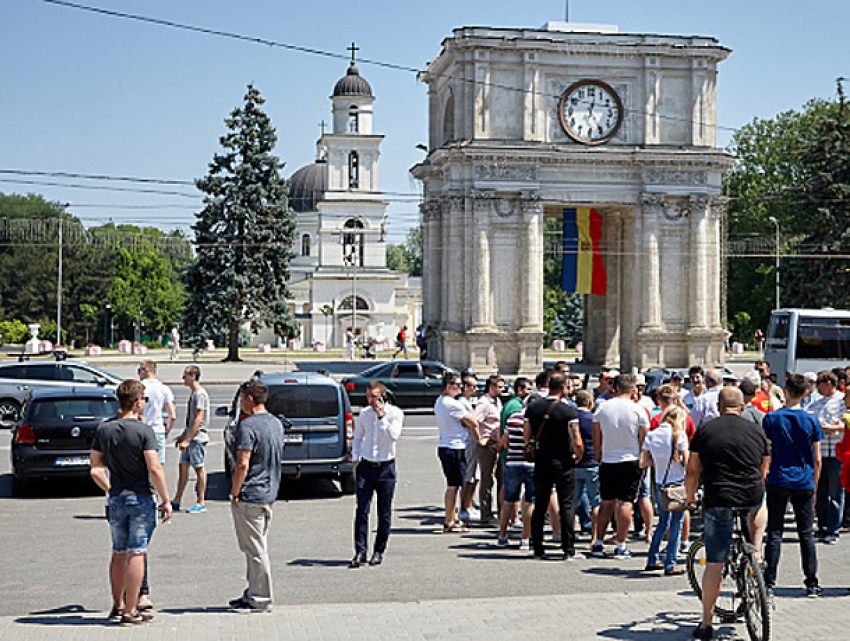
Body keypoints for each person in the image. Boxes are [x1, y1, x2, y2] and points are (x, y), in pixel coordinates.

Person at [685, 386, 770, 640]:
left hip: (718, 498)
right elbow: (763, 469)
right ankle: (755, 552)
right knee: (760, 502)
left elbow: (692, 470)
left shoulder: (705, 431)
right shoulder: (756, 430)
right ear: (742, 407)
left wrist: (690, 497)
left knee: (714, 563)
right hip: (750, 494)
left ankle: (707, 623)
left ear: (718, 408)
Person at [89, 380, 172, 625]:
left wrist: (110, 488)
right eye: (144, 399)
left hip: (116, 498)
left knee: (118, 552)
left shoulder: (104, 429)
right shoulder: (144, 432)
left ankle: (117, 605)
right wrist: (166, 499)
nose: (145, 403)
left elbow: (95, 469)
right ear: (137, 402)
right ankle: (131, 610)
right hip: (140, 497)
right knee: (137, 552)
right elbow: (154, 468)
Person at [762, 373, 823, 598]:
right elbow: (817, 458)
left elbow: (766, 452)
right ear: (806, 392)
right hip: (803, 479)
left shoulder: (771, 419)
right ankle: (811, 583)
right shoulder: (812, 420)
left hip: (778, 477)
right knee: (806, 534)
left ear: (785, 390)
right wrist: (815, 486)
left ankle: (769, 582)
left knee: (774, 532)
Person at [228, 379, 285, 613]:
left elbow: (242, 462)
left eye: (242, 398)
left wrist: (234, 491)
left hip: (251, 493)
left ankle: (260, 598)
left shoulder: (248, 425)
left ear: (250, 398)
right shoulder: (276, 423)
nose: (240, 403)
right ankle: (252, 591)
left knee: (255, 549)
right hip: (269, 491)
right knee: (254, 546)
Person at [524, 373, 584, 559]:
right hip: (563, 460)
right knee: (565, 504)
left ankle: (538, 547)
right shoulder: (568, 411)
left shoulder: (533, 407)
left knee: (540, 503)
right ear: (564, 387)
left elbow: (527, 435)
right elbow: (576, 440)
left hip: (542, 459)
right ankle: (568, 548)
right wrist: (578, 454)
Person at [591, 374, 649, 559]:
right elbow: (644, 439)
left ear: (615, 388)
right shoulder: (638, 410)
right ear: (633, 390)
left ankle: (598, 542)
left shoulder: (602, 408)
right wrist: (643, 458)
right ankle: (621, 544)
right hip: (630, 459)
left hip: (608, 459)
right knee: (626, 502)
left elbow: (596, 438)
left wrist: (600, 457)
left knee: (606, 502)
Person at [349, 380, 404, 568]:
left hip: (385, 468)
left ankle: (379, 550)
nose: (371, 401)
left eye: (374, 397)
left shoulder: (395, 413)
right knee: (362, 510)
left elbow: (394, 436)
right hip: (366, 466)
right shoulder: (364, 414)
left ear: (383, 396)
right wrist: (356, 457)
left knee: (384, 513)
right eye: (368, 397)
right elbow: (358, 437)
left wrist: (382, 417)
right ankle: (360, 551)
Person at [641, 406, 689, 575]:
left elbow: (642, 463)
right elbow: (687, 463)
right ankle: (671, 563)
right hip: (677, 483)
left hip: (660, 482)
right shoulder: (679, 435)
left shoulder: (651, 435)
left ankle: (652, 558)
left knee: (662, 522)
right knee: (677, 523)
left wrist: (657, 462)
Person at [435, 372, 479, 532]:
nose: (460, 388)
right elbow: (473, 421)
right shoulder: (452, 403)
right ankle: (449, 521)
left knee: (456, 484)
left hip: (448, 446)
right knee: (453, 486)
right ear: (449, 387)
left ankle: (453, 517)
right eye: (458, 386)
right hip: (454, 447)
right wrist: (478, 437)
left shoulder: (441, 401)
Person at [808, 370, 846, 543]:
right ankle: (822, 526)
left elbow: (846, 423)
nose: (817, 387)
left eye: (819, 383)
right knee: (821, 492)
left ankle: (834, 528)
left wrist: (834, 428)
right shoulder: (817, 402)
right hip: (820, 452)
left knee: (835, 493)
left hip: (837, 452)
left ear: (829, 383)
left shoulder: (842, 401)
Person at [172, 365, 210, 513]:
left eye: (185, 375)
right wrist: (183, 435)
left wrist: (188, 439)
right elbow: (191, 419)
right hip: (190, 437)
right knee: (183, 468)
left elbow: (199, 418)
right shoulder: (194, 393)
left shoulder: (200, 394)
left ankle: (200, 501)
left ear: (193, 376)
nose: (183, 378)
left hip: (197, 438)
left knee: (199, 468)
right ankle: (177, 500)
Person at [497, 402, 534, 549]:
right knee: (529, 502)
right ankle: (525, 538)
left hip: (513, 463)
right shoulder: (535, 419)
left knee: (508, 500)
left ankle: (502, 536)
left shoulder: (512, 418)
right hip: (531, 464)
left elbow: (505, 443)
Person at [470, 375, 503, 524]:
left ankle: (502, 511)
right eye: (500, 387)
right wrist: (480, 440)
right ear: (491, 387)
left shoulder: (497, 401)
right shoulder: (484, 403)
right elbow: (474, 422)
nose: (502, 390)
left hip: (498, 444)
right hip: (487, 445)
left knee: (500, 477)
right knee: (487, 478)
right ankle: (486, 512)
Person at [572, 390, 600, 541]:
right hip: (592, 462)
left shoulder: (571, 418)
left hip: (575, 464)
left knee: (572, 504)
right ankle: (595, 538)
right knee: (595, 503)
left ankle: (569, 536)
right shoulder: (594, 419)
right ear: (590, 402)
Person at [138, 360, 176, 465]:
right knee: (158, 467)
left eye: (139, 371)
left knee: (142, 465)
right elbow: (172, 415)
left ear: (146, 371)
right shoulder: (164, 388)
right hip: (158, 430)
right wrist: (166, 431)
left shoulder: (139, 388)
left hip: (141, 431)